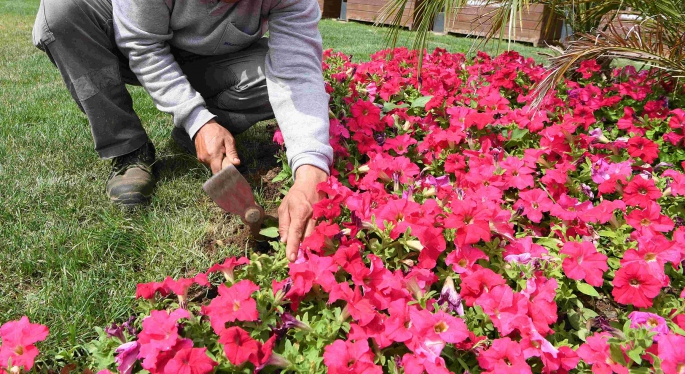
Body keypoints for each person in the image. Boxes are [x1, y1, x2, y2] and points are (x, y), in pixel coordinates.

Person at [31, 0, 333, 261]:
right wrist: (195, 119)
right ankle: (128, 149)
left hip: (214, 57)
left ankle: (205, 136)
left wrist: (310, 171)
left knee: (270, 82)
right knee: (62, 12)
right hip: (130, 36)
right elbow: (143, 46)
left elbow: (297, 73)